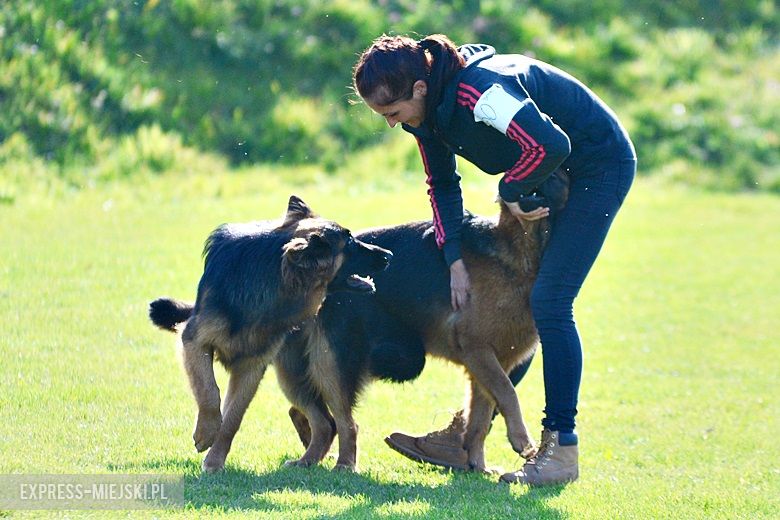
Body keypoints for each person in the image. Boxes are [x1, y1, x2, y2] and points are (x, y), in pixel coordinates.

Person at [352, 33, 636, 486]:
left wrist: (511, 192)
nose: (391, 124)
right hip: (549, 175)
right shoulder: (425, 117)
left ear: (420, 89)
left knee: (549, 302)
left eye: (391, 112)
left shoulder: (478, 92)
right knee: (517, 302)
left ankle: (561, 449)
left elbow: (550, 145)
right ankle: (465, 437)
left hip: (595, 167)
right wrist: (454, 260)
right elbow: (442, 185)